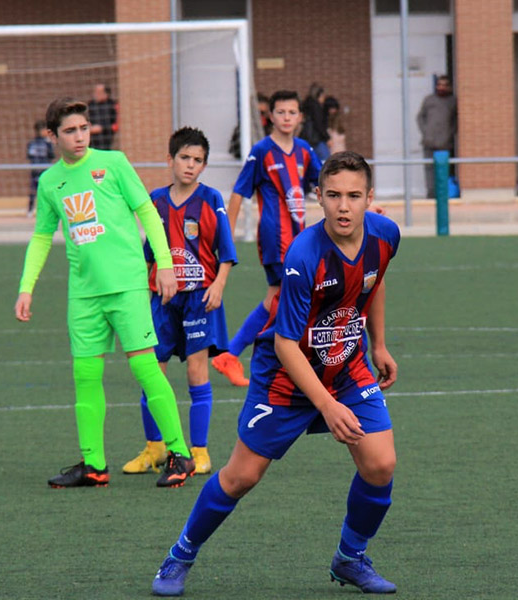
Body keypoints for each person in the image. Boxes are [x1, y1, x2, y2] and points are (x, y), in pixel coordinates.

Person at [150, 151, 401, 597]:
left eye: (355, 196)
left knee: (380, 464)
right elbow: (285, 344)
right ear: (318, 198)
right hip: (286, 376)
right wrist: (326, 404)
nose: (345, 206)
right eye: (335, 195)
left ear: (370, 198)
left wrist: (378, 344)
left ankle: (350, 557)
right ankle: (180, 555)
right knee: (240, 477)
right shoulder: (304, 255)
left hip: (346, 365)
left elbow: (373, 281)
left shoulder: (386, 234)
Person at [14, 98, 194, 488]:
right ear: (52, 137)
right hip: (84, 295)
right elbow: (42, 237)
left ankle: (180, 454)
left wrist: (164, 264)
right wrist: (26, 288)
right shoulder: (50, 183)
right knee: (85, 375)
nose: (79, 137)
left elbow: (147, 211)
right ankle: (94, 464)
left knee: (145, 368)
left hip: (127, 285)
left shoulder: (112, 164)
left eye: (83, 128)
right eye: (69, 131)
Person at [122, 126, 238, 478]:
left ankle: (199, 451)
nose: (190, 165)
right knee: (152, 373)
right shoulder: (156, 200)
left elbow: (226, 251)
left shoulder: (211, 199)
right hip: (161, 300)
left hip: (198, 298)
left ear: (204, 165)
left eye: (197, 160)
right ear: (169, 160)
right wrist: (142, 290)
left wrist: (218, 284)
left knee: (195, 371)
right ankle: (155, 447)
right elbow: (146, 254)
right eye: (184, 158)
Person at [212, 90, 322, 387]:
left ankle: (233, 355)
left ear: (300, 117)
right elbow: (239, 192)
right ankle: (247, 354)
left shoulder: (304, 151)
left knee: (277, 298)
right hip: (276, 238)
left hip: (300, 239)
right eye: (281, 112)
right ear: (270, 116)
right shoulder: (261, 151)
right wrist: (227, 235)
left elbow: (324, 182)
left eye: (292, 112)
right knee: (286, 296)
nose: (287, 117)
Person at [416, 75, 457, 199]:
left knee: (444, 169)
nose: (441, 87)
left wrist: (450, 134)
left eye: (444, 85)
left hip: (445, 143)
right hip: (429, 142)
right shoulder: (429, 100)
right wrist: (425, 132)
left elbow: (456, 121)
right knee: (429, 169)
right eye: (439, 85)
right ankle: (431, 194)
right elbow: (420, 117)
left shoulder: (452, 101)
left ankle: (443, 195)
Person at [26, 119, 54, 217]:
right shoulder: (47, 143)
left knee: (34, 190)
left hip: (35, 169)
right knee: (45, 191)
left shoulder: (31, 143)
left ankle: (30, 211)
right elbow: (51, 155)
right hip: (44, 169)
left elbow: (29, 156)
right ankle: (47, 211)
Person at [301, 83, 331, 161]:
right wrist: (327, 138)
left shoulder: (306, 105)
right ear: (319, 95)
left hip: (306, 138)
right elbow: (319, 124)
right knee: (326, 161)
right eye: (323, 96)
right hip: (317, 139)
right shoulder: (316, 107)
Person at [87, 83, 119, 150]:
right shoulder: (90, 105)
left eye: (99, 92)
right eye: (95, 92)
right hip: (91, 141)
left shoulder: (112, 105)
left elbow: (116, 125)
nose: (96, 94)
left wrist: (102, 128)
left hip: (105, 140)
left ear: (106, 94)